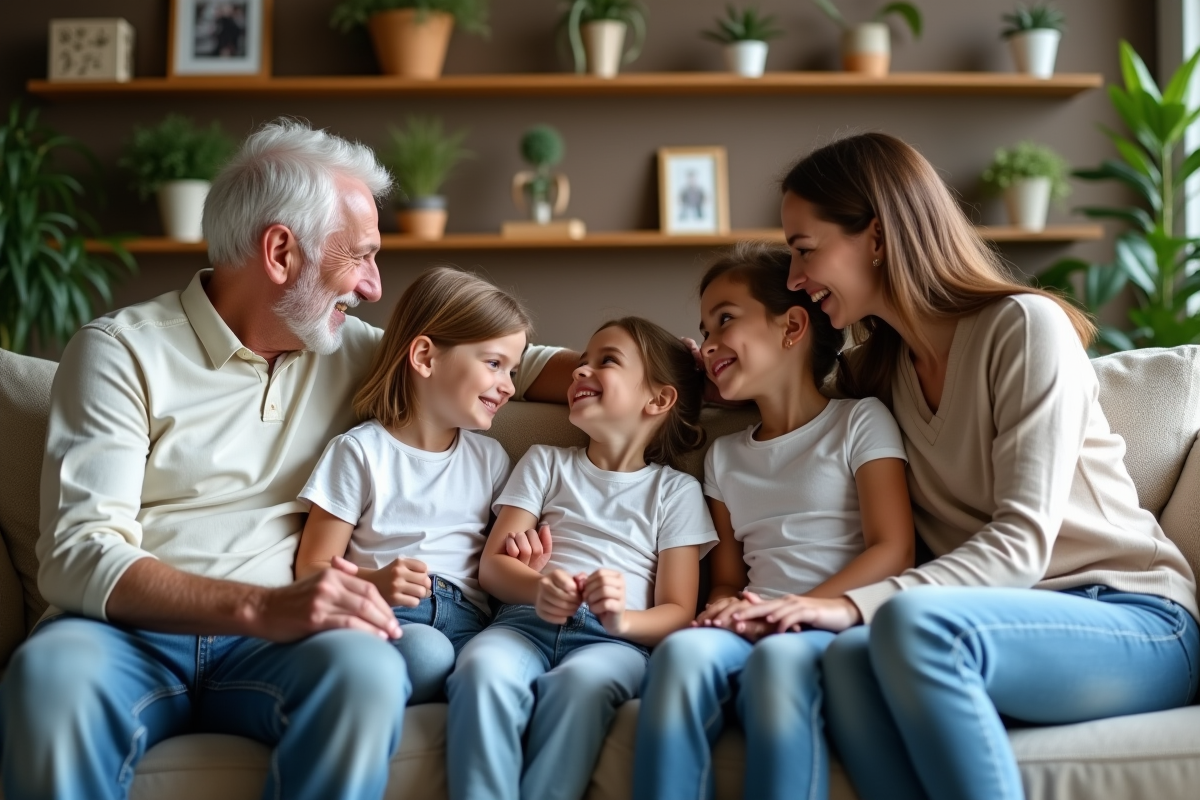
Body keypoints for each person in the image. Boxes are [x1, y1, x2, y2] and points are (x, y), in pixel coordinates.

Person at [0, 119, 566, 800]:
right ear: (280, 252)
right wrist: (263, 606)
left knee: (368, 671)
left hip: (289, 646)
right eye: (360, 256)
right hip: (127, 636)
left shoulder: (348, 347)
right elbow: (80, 554)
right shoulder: (121, 352)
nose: (374, 286)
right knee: (47, 677)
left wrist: (656, 370)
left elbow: (510, 361)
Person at [712, 132, 1198, 800]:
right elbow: (776, 382)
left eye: (804, 250)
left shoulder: (1023, 329)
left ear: (877, 238)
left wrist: (846, 605)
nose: (794, 280)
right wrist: (699, 366)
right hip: (984, 629)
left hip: (1132, 618)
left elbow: (1023, 543)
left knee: (898, 626)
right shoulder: (874, 373)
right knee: (852, 662)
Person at [631, 242, 914, 800]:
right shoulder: (724, 455)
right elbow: (730, 578)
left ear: (792, 327)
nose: (708, 344)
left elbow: (893, 550)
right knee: (682, 655)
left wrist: (801, 609)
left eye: (725, 321)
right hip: (752, 621)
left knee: (778, 664)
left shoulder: (860, 422)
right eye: (705, 330)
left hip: (837, 620)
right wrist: (719, 608)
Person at [445, 317, 719, 800]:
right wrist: (538, 588)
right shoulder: (544, 462)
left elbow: (679, 611)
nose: (579, 372)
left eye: (605, 361)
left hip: (614, 645)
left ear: (658, 399)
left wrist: (622, 620)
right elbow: (492, 567)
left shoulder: (676, 491)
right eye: (581, 362)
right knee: (479, 670)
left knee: (582, 686)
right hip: (521, 625)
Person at [294, 266, 532, 704]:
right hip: (390, 614)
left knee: (503, 665)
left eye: (513, 371)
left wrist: (524, 558)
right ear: (424, 357)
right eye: (495, 364)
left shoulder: (493, 460)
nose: (508, 387)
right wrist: (374, 582)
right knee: (425, 652)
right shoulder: (360, 452)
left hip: (472, 621)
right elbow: (311, 568)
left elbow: (498, 564)